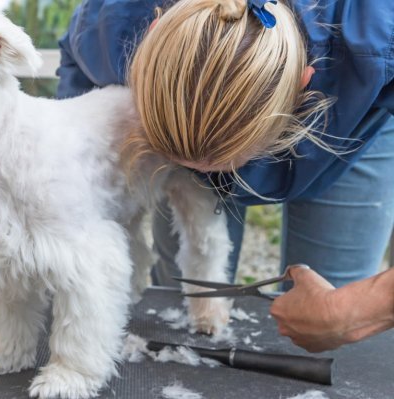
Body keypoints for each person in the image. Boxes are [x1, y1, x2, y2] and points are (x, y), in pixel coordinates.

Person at [56, 0, 394, 352]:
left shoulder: (380, 34)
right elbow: (77, 92)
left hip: (353, 109)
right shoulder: (116, 27)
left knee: (333, 314)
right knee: (176, 296)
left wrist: (349, 310)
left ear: (302, 85)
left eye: (224, 164)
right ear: (150, 40)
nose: (207, 177)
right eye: (188, 163)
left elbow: (355, 309)